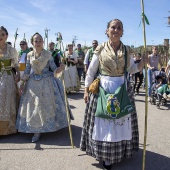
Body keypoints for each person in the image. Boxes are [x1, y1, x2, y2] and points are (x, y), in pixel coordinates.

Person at [80, 19, 146, 170]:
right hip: (104, 88)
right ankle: (106, 156)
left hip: (122, 87)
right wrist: (86, 90)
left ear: (122, 32)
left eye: (119, 28)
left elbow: (131, 69)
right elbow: (90, 72)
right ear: (107, 30)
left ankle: (120, 151)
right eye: (113, 27)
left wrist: (141, 64)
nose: (115, 30)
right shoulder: (100, 49)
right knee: (104, 122)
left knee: (120, 120)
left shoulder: (127, 50)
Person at [16, 32, 73, 143]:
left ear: (43, 41)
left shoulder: (48, 54)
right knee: (34, 106)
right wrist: (22, 83)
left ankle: (47, 125)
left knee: (45, 105)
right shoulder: (29, 55)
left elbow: (54, 69)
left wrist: (60, 69)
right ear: (32, 42)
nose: (38, 43)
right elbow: (27, 70)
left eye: (40, 40)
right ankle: (36, 130)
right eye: (35, 41)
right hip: (33, 82)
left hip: (47, 81)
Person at [0, 26, 20, 135]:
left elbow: (16, 65)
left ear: (6, 36)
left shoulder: (11, 50)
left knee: (6, 100)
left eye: (2, 34)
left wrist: (18, 73)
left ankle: (7, 129)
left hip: (7, 77)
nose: (0, 37)